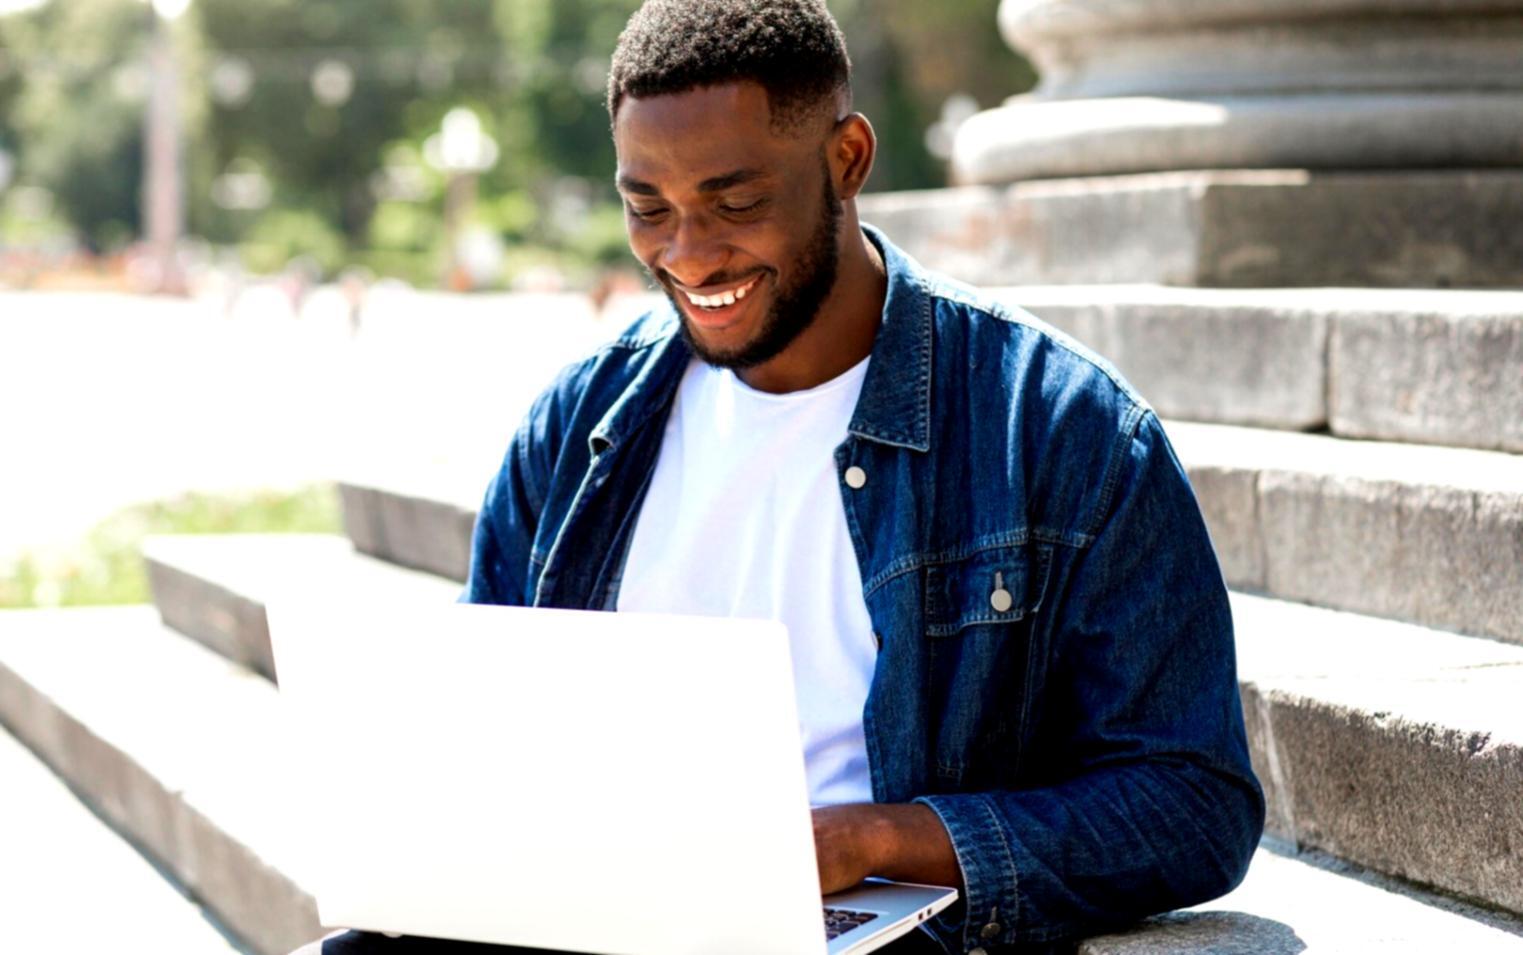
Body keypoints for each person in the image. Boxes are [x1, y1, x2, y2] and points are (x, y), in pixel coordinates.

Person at [296, 1, 1263, 952]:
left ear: (845, 160)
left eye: (736, 200)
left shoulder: (1056, 427)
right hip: (586, 922)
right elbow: (488, 750)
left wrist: (874, 841)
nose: (688, 252)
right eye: (647, 207)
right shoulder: (576, 427)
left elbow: (1192, 798)